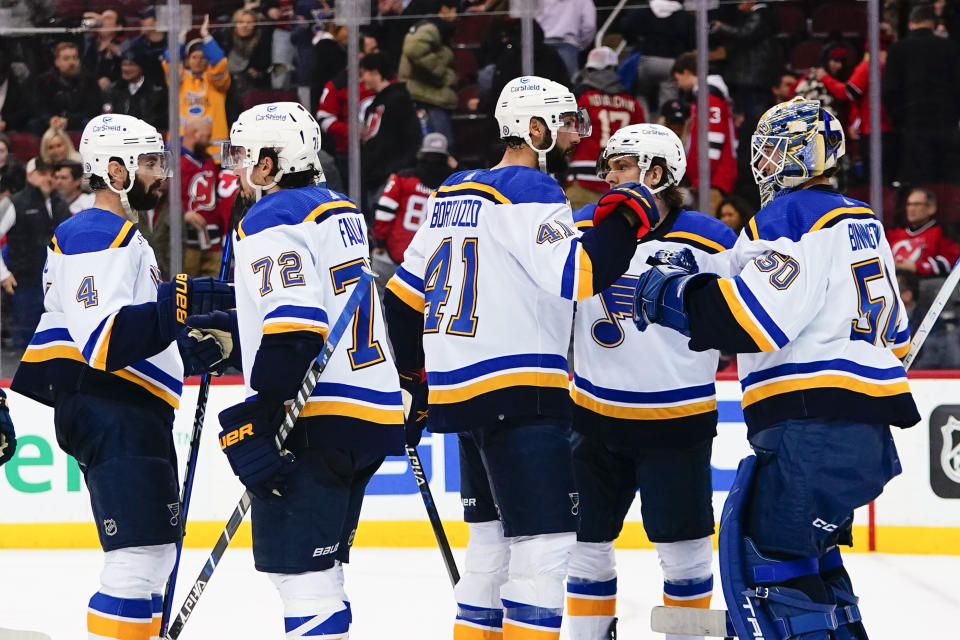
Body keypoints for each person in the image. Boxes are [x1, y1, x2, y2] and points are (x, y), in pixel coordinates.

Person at [630, 96, 919, 640]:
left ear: (801, 154)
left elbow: (753, 318)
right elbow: (896, 339)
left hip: (811, 429)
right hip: (861, 434)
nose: (761, 164)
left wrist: (671, 295)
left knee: (767, 570)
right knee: (812, 565)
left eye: (772, 152)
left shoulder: (791, 214)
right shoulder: (864, 223)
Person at [383, 75, 654, 640]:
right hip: (520, 394)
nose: (575, 132)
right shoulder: (533, 191)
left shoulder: (452, 193)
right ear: (535, 128)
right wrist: (627, 217)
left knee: (488, 550)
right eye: (564, 121)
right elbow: (579, 276)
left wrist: (412, 381)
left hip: (460, 396)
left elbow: (401, 300)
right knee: (544, 550)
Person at [9, 113, 235, 640]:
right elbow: (104, 341)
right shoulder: (93, 229)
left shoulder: (125, 235)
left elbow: (138, 329)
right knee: (136, 560)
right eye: (152, 162)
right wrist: (175, 307)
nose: (164, 174)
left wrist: (189, 344)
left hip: (131, 405)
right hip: (109, 405)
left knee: (153, 557)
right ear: (115, 170)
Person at [217, 101, 404, 639]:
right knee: (324, 576)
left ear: (271, 161)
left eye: (244, 155)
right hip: (365, 411)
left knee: (302, 582)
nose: (236, 167)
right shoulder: (340, 209)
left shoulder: (272, 215)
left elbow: (295, 327)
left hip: (315, 418)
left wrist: (263, 412)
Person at [564, 123, 735, 640]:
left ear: (657, 172)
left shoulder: (712, 239)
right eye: (608, 166)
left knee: (684, 555)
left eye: (621, 166)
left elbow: (741, 321)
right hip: (593, 420)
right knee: (584, 546)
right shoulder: (580, 229)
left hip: (677, 424)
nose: (608, 176)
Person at [882, 3, 960, 184]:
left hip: (912, 128)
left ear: (911, 23)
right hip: (946, 126)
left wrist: (899, 121)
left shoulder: (898, 50)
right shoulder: (951, 48)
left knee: (918, 182)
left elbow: (889, 92)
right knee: (948, 182)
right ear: (933, 23)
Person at [0, 157, 71, 348]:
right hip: (25, 285)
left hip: (58, 286)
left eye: (51, 173)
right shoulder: (13, 203)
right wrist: (3, 275)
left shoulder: (60, 203)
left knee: (57, 344)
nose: (49, 178)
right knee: (25, 346)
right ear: (30, 175)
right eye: (42, 173)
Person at [566, 46, 646, 211]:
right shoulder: (633, 103)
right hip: (620, 182)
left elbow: (573, 136)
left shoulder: (583, 99)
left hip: (583, 177)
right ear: (613, 68)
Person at [372, 132, 455, 286]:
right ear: (447, 158)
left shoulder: (402, 179)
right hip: (433, 263)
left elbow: (384, 212)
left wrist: (380, 243)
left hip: (395, 256)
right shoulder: (453, 185)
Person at [672, 52, 738, 215]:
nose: (678, 85)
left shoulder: (709, 96)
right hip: (708, 178)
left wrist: (702, 176)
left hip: (713, 178)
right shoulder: (706, 96)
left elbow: (713, 139)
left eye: (677, 79)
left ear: (686, 72)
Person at [359, 52, 423, 216]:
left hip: (388, 178)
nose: (361, 79)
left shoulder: (398, 100)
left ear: (375, 73)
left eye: (363, 73)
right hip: (373, 178)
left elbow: (413, 139)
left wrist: (397, 172)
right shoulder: (373, 104)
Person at [166, 15, 231, 161]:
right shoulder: (180, 80)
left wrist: (206, 37)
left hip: (213, 153)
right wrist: (181, 38)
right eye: (194, 57)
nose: (198, 61)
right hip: (182, 149)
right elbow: (170, 62)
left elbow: (220, 63)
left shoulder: (216, 82)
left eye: (203, 57)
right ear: (188, 60)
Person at [617, 0, 694, 116]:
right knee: (669, 101)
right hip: (671, 64)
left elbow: (626, 27)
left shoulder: (643, 12)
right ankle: (665, 127)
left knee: (640, 94)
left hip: (646, 61)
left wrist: (636, 42)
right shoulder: (685, 17)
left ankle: (643, 125)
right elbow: (692, 42)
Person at [709, 1, 783, 122]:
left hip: (755, 74)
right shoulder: (759, 14)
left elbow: (745, 34)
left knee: (755, 113)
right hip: (754, 73)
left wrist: (721, 27)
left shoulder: (761, 14)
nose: (738, 3)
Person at [398, 0, 460, 142]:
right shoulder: (430, 28)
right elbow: (414, 49)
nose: (457, 16)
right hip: (428, 99)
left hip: (432, 98)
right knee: (439, 146)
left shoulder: (440, 29)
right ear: (445, 8)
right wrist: (439, 73)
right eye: (456, 10)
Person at [180, 116, 226, 277]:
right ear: (195, 134)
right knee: (186, 292)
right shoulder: (176, 162)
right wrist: (183, 215)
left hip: (214, 243)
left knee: (215, 290)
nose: (210, 142)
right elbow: (164, 203)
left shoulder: (209, 162)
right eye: (207, 136)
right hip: (187, 242)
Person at [29, 41, 102, 135]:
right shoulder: (44, 81)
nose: (71, 62)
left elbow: (93, 109)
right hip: (52, 123)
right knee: (34, 124)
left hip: (78, 123)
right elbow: (39, 107)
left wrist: (70, 120)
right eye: (66, 59)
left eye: (75, 58)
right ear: (57, 62)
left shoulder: (89, 81)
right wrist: (50, 119)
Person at [887, 187, 960, 277]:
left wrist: (917, 267)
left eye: (916, 204)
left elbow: (952, 261)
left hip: (925, 285)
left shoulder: (942, 232)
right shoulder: (894, 233)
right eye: (909, 204)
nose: (911, 209)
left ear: (931, 208)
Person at [896, 268, 960, 369]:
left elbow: (930, 359)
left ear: (907, 295)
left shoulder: (930, 322)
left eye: (893, 292)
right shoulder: (885, 320)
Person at [218, 8, 274, 123]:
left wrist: (257, 73)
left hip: (252, 90)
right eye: (241, 22)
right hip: (227, 88)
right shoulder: (225, 39)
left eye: (249, 23)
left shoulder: (262, 43)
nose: (245, 26)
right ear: (235, 24)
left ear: (255, 25)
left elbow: (265, 70)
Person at [103, 48, 168, 131]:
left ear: (141, 67)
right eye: (124, 64)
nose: (126, 68)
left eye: (131, 64)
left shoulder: (155, 92)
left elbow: (156, 122)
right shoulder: (113, 90)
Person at [536, 0, 597, 79]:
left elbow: (531, 21)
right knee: (567, 87)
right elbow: (589, 26)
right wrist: (580, 45)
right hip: (568, 46)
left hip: (542, 46)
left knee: (541, 85)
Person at [81, 9, 125, 92]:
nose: (102, 21)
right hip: (88, 90)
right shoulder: (89, 43)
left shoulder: (123, 45)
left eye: (108, 18)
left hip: (114, 91)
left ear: (119, 26)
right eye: (101, 18)